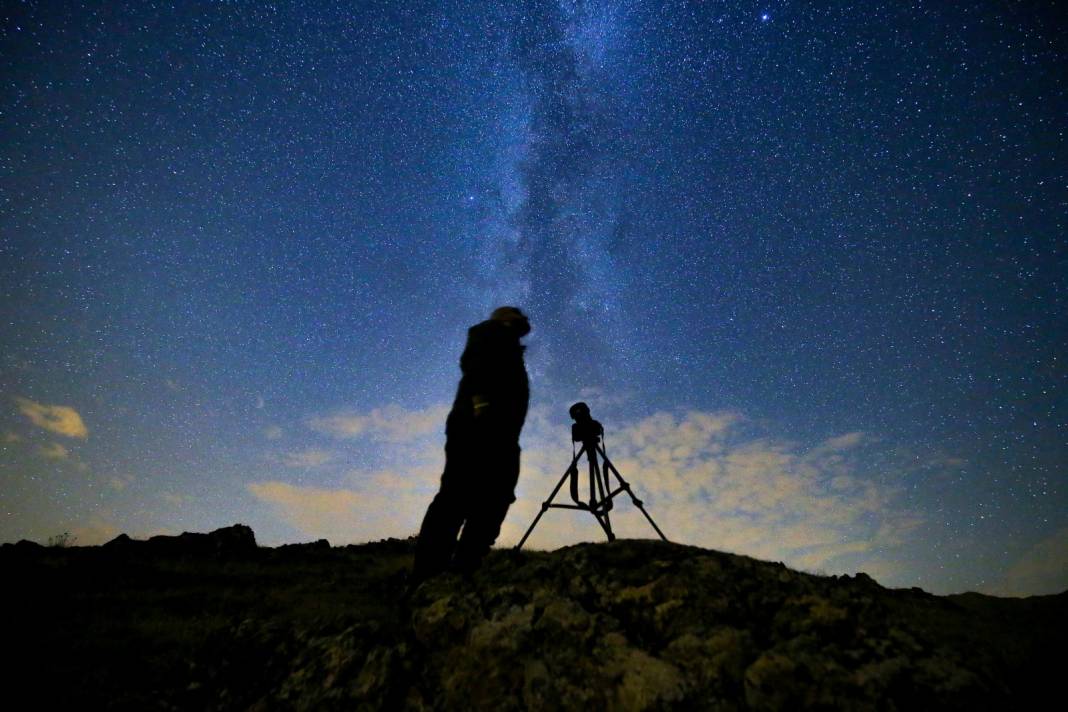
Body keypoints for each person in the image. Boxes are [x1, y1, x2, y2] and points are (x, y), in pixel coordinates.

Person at [412, 306, 531, 581]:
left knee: (493, 498)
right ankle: (429, 575)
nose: (524, 323)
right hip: (479, 427)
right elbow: (474, 364)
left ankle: (461, 568)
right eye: (518, 318)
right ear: (507, 320)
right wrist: (482, 406)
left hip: (501, 433)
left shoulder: (510, 348)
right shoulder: (489, 333)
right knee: (459, 496)